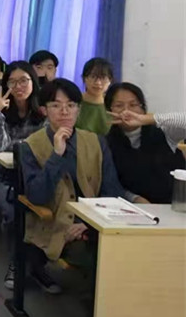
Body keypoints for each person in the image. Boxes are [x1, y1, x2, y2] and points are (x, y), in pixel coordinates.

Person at [20, 79, 148, 294]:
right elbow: (37, 196)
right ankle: (100, 307)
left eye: (71, 105)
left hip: (94, 222)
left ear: (78, 110)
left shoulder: (96, 141)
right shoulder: (30, 146)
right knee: (99, 257)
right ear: (44, 110)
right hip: (57, 226)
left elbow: (111, 190)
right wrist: (56, 155)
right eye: (56, 105)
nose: (64, 112)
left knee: (131, 249)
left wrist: (89, 223)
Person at [0, 62, 46, 290]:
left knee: (44, 212)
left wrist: (19, 146)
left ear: (33, 82)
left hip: (36, 177)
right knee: (13, 214)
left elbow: (44, 147)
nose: (18, 86)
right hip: (5, 177)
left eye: (23, 81)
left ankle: (37, 266)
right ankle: (16, 263)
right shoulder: (1, 113)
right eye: (12, 82)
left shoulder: (44, 111)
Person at [104, 83, 186, 204]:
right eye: (119, 105)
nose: (126, 111)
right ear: (109, 110)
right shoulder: (106, 143)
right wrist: (134, 198)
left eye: (133, 105)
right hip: (134, 208)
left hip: (176, 204)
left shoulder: (164, 132)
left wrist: (146, 119)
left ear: (143, 108)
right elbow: (112, 183)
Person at [76, 57, 113, 135]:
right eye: (93, 77)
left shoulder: (113, 104)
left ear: (110, 80)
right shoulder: (74, 101)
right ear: (84, 78)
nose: (98, 83)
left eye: (103, 78)